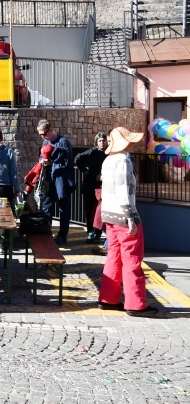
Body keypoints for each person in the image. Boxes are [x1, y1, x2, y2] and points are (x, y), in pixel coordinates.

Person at [97, 127, 158, 317]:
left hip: (109, 214)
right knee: (132, 259)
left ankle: (108, 298)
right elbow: (123, 190)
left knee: (113, 257)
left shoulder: (107, 160)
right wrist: (130, 216)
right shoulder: (124, 160)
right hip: (124, 216)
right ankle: (135, 303)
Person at [36, 120, 76, 245]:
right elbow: (42, 156)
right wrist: (42, 161)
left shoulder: (63, 142)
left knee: (63, 209)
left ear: (51, 130)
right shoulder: (45, 142)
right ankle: (46, 232)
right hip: (50, 179)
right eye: (41, 135)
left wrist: (51, 163)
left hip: (62, 181)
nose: (43, 137)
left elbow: (66, 161)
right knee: (47, 206)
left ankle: (62, 236)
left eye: (44, 134)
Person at [75, 132, 109, 243]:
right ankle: (90, 232)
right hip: (90, 187)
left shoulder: (109, 154)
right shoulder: (91, 152)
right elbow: (77, 159)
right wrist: (86, 171)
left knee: (99, 212)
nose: (102, 142)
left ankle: (97, 234)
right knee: (89, 211)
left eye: (104, 140)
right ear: (96, 142)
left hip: (103, 187)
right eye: (100, 140)